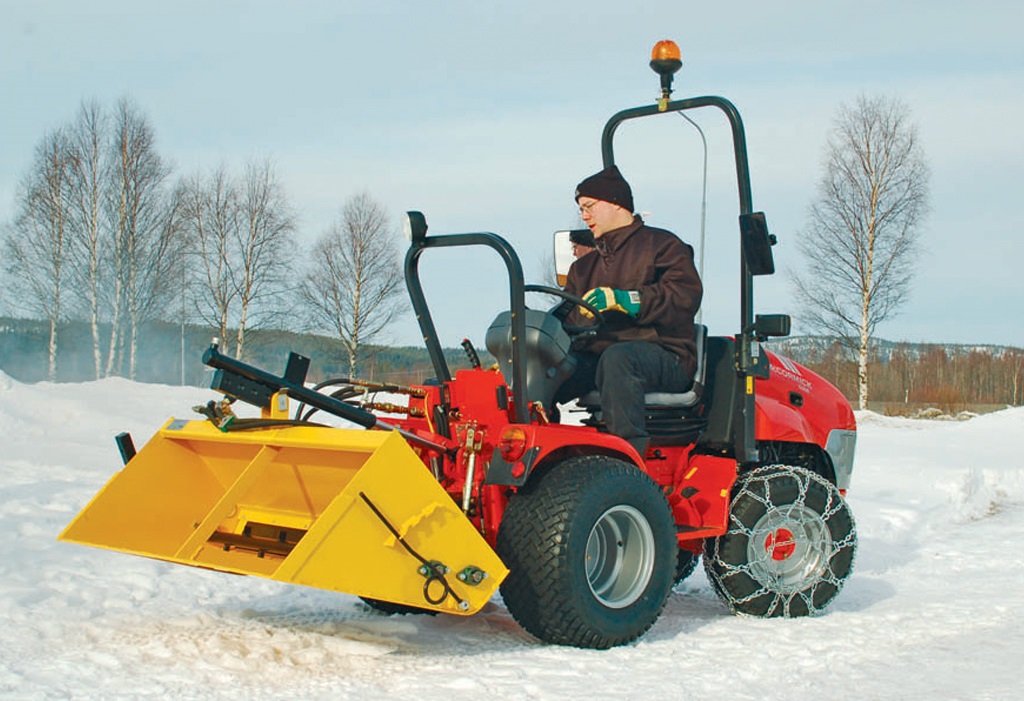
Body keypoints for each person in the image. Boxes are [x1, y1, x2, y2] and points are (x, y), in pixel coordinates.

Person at [554, 165, 703, 457]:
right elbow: (565, 319)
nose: (584, 216)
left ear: (615, 203)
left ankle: (626, 459)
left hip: (664, 353)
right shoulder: (582, 269)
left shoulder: (663, 246)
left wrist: (627, 300)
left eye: (589, 207)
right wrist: (534, 351)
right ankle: (539, 456)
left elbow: (685, 297)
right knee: (545, 371)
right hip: (600, 357)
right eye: (581, 209)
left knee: (618, 359)